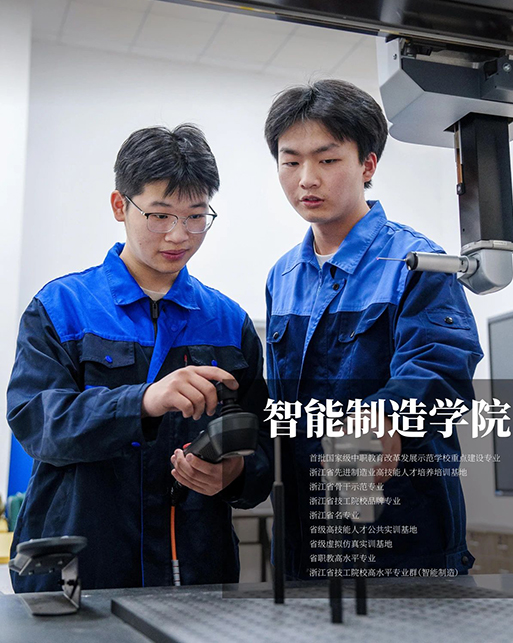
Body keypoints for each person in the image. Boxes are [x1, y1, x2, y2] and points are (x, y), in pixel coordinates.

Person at [7, 124, 273, 591]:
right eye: (159, 215)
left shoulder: (229, 323)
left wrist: (233, 474)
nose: (179, 235)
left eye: (196, 216)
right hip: (81, 568)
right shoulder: (62, 307)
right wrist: (143, 401)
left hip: (196, 574)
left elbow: (261, 450)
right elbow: (38, 422)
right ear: (120, 206)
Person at [264, 79, 483, 580]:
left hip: (403, 543)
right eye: (290, 162)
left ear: (367, 165)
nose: (307, 179)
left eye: (327, 159)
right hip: (304, 543)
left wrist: (382, 416)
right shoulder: (283, 276)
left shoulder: (417, 261)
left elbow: (441, 364)